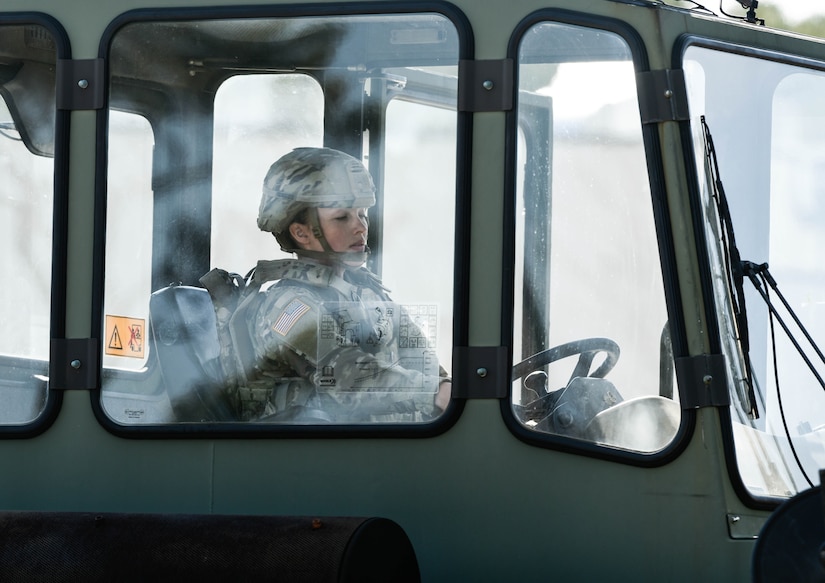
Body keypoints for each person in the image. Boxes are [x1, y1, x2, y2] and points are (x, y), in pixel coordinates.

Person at [225, 147, 451, 422]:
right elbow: (347, 376)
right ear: (301, 232)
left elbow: (426, 366)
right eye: (342, 217)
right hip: (319, 459)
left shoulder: (370, 294)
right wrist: (434, 392)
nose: (360, 227)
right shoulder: (287, 308)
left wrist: (447, 390)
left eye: (362, 214)